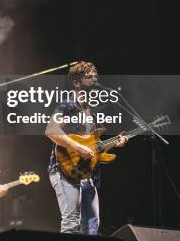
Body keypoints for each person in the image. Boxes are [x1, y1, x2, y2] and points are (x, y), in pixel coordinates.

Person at [45, 61, 128, 234]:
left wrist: (115, 144)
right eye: (89, 77)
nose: (95, 79)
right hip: (65, 169)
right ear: (76, 83)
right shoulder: (67, 105)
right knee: (71, 223)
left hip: (87, 173)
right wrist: (78, 147)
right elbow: (51, 131)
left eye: (96, 75)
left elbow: (93, 148)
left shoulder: (92, 112)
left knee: (92, 225)